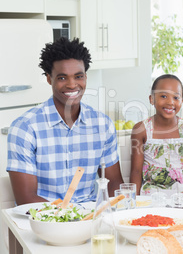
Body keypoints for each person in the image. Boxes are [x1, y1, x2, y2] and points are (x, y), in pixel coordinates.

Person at [7, 37, 124, 205]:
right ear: (49, 79)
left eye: (78, 76)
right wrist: (71, 218)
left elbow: (114, 183)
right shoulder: (25, 128)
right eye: (62, 78)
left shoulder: (102, 125)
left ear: (85, 77)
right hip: (44, 220)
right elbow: (26, 199)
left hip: (89, 219)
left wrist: (107, 214)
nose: (72, 84)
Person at [129, 74, 183, 196]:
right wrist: (134, 200)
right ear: (151, 99)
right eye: (163, 96)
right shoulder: (141, 129)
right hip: (153, 192)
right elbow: (136, 171)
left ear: (182, 101)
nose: (170, 102)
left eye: (176, 97)